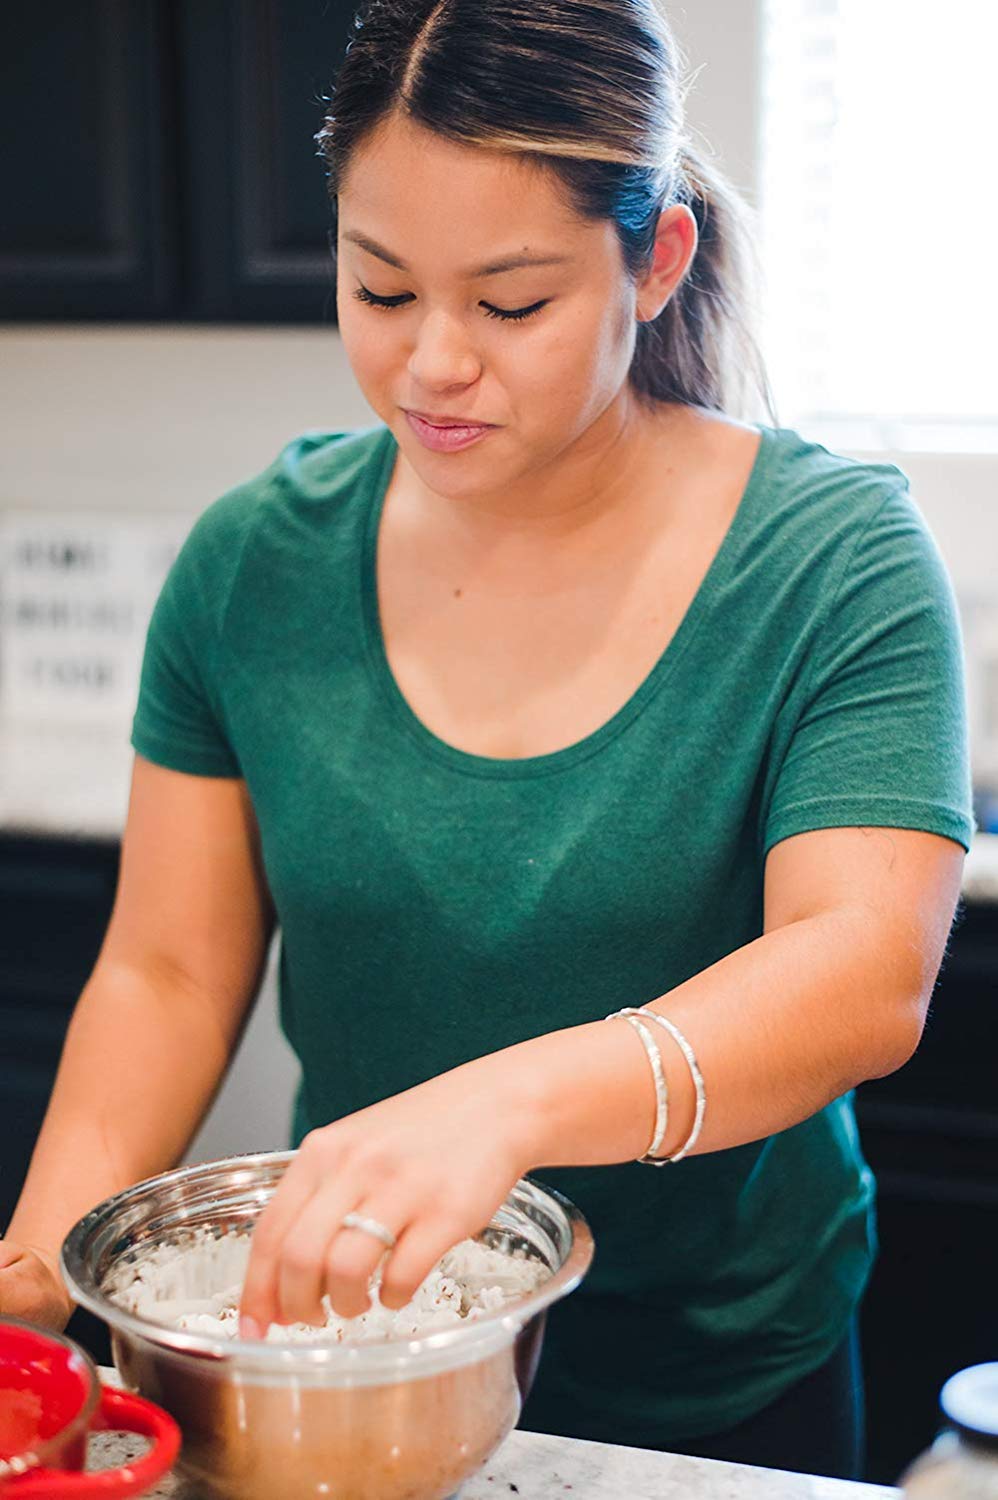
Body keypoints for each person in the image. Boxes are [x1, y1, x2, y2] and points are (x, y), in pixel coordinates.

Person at [0, 0, 973, 1483]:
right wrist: (35, 1275)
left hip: (713, 1377)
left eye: (509, 304)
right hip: (346, 1360)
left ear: (654, 259)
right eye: (379, 290)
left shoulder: (829, 558)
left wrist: (505, 1103)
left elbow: (857, 976)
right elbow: (168, 967)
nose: (429, 367)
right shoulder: (255, 561)